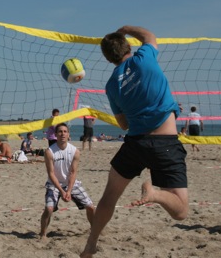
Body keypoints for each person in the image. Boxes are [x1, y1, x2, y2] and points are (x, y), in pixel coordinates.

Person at [81, 26, 188, 258]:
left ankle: (91, 243)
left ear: (108, 59)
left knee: (109, 196)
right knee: (180, 211)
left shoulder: (112, 85)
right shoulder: (143, 58)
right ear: (129, 46)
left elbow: (123, 125)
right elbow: (149, 36)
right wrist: (126, 29)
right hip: (165, 143)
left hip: (135, 144)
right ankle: (154, 194)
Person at [40, 123, 94, 238]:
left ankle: (95, 230)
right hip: (54, 184)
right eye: (60, 131)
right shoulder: (49, 151)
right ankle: (43, 234)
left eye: (65, 131)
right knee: (49, 209)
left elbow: (73, 172)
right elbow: (51, 173)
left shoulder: (75, 151)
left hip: (71, 183)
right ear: (55, 134)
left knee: (90, 207)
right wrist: (62, 191)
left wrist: (68, 191)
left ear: (68, 134)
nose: (62, 134)